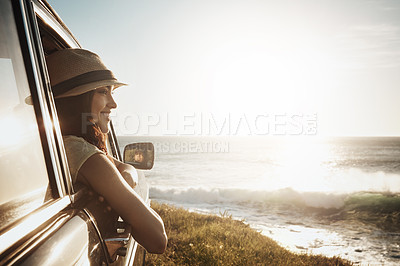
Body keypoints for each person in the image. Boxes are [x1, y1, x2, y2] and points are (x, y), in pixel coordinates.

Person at [46, 48, 167, 254]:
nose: (114, 103)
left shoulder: (63, 144)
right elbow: (157, 239)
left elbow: (123, 166)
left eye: (112, 92)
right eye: (103, 92)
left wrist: (125, 179)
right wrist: (121, 187)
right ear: (76, 98)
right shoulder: (79, 150)